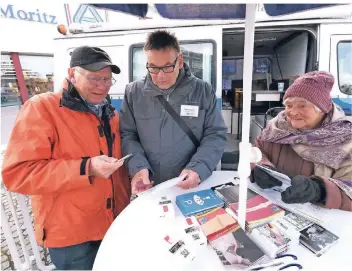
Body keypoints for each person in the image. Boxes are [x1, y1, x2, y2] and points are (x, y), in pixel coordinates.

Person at [1, 46, 131, 270]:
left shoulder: (110, 112)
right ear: (72, 74)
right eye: (93, 78)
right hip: (71, 234)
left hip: (111, 223)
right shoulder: (41, 108)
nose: (102, 85)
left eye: (107, 80)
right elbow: (18, 174)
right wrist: (86, 168)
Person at [120, 30, 227, 194]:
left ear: (180, 61)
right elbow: (128, 135)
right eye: (153, 68)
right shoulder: (133, 92)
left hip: (191, 184)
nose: (161, 76)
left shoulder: (202, 90)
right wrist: (138, 167)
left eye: (167, 67)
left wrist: (198, 169)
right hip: (150, 185)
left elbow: (215, 134)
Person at [251, 71, 352, 211]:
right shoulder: (276, 129)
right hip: (273, 209)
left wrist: (320, 191)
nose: (293, 112)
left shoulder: (346, 139)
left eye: (302, 105)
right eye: (289, 105)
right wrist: (259, 167)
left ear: (322, 109)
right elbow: (257, 152)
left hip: (320, 219)